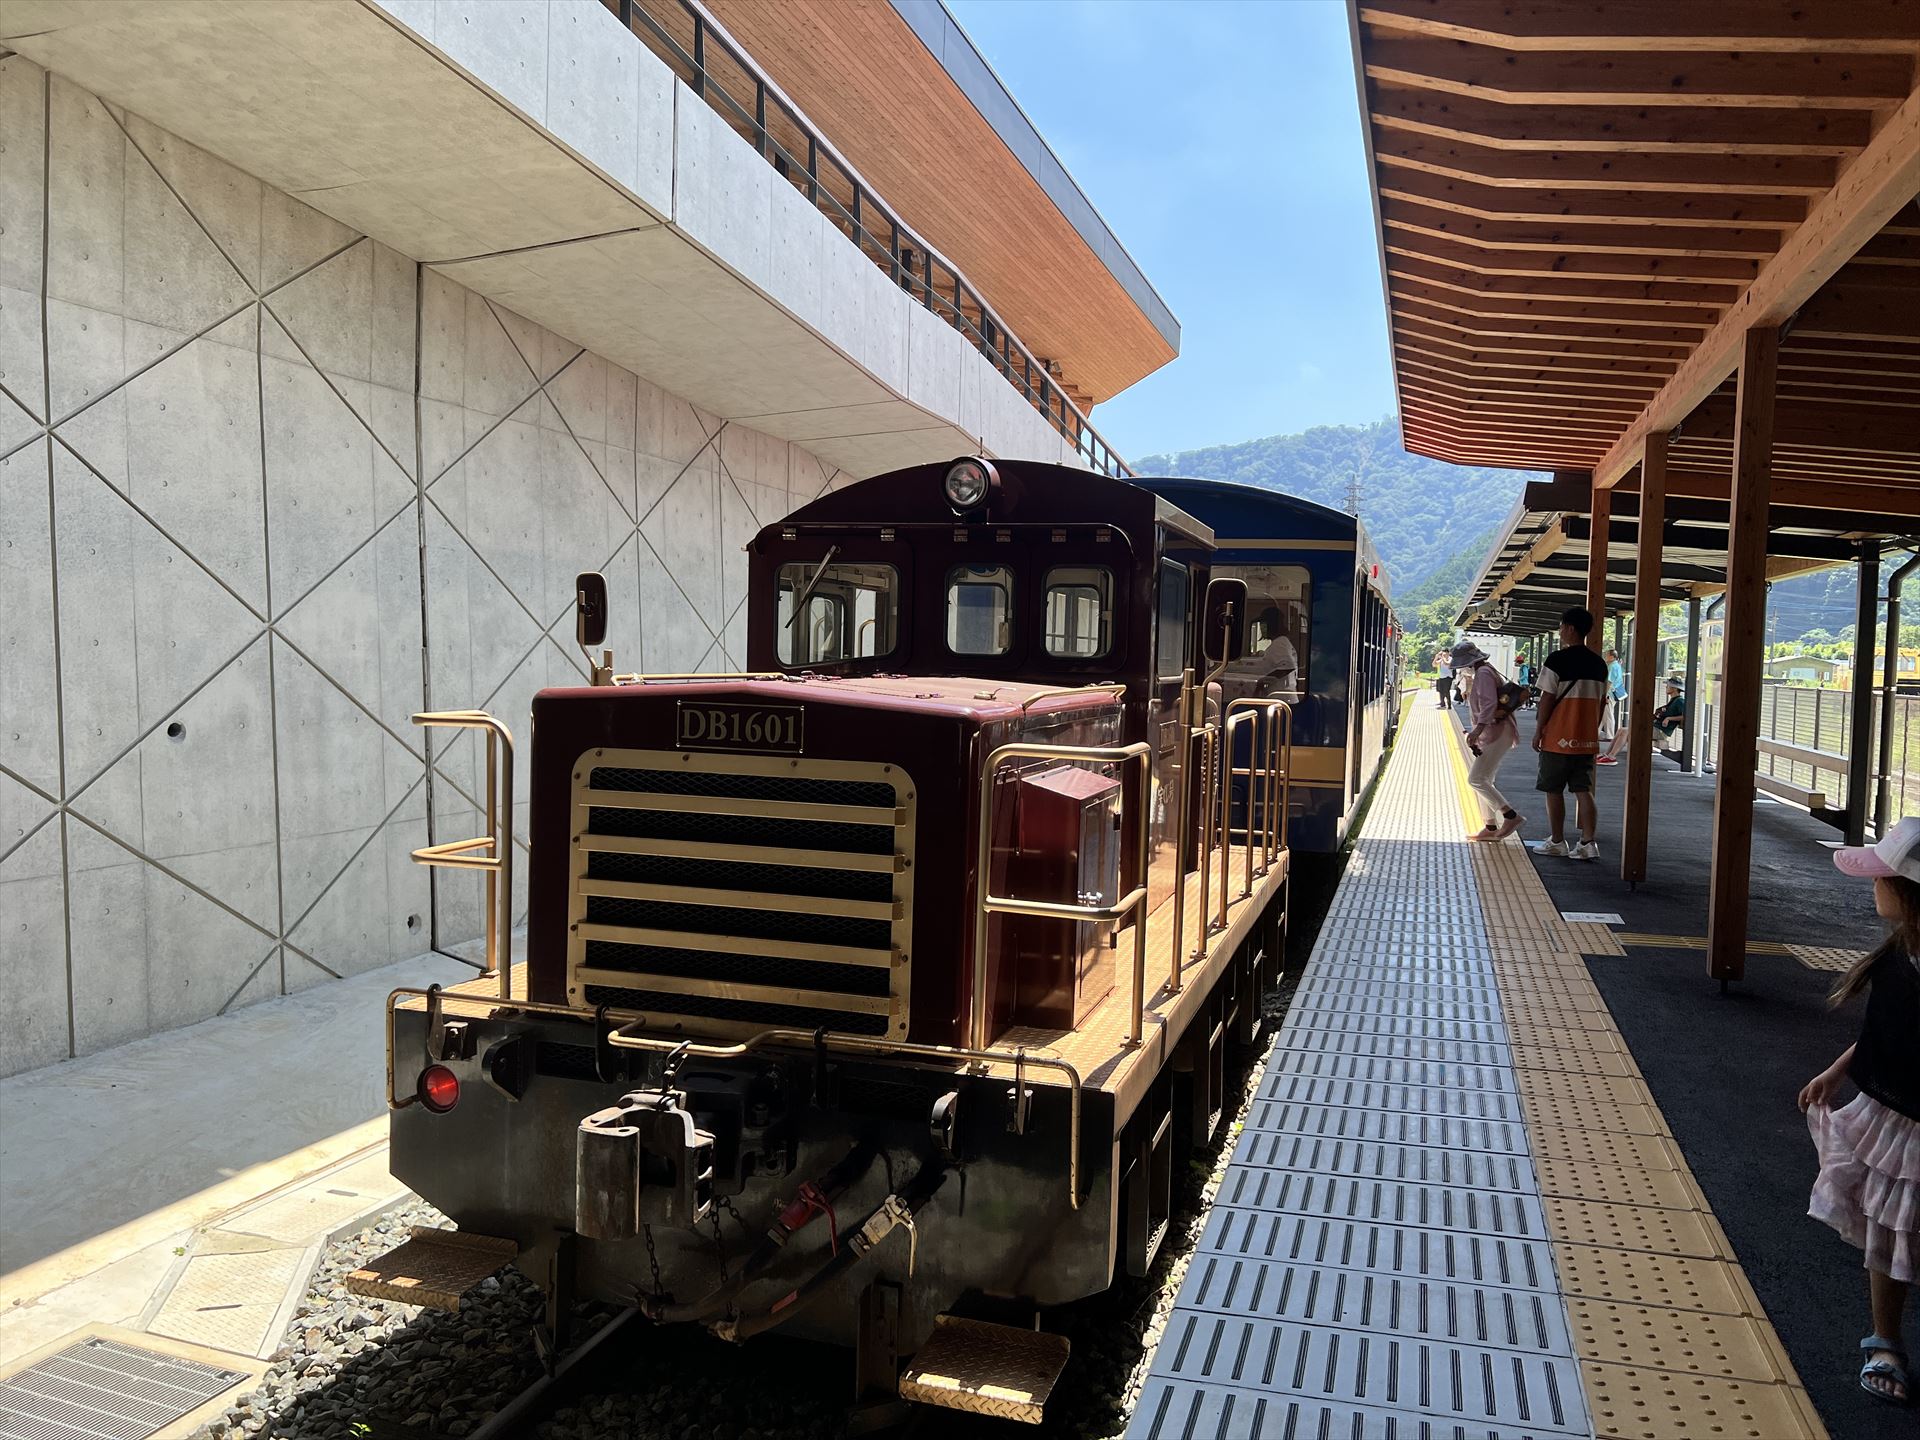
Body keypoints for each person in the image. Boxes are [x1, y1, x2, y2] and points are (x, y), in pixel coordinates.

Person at [1798, 817, 1920, 1407]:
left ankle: (1888, 1339)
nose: (1870, 885)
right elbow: (1882, 1028)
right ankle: (1886, 1337)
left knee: (1900, 1225)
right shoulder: (1902, 950)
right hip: (1892, 1111)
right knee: (1890, 1225)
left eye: (1880, 876)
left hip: (1911, 1119)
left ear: (1906, 891)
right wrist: (1837, 1071)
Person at [1531, 606, 1608, 860]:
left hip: (1558, 737)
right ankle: (1588, 844)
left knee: (1553, 789)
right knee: (1583, 790)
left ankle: (1557, 841)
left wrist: (1539, 730)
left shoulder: (1557, 660)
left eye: (1562, 626)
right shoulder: (1599, 664)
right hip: (1586, 739)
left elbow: (1547, 698)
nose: (1560, 630)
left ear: (1571, 629)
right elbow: (1601, 703)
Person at [1455, 640, 1523, 842]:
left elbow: (1488, 704)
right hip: (1497, 731)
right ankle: (1490, 827)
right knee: (1485, 779)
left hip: (1496, 731)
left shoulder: (1483, 674)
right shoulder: (1487, 670)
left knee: (1475, 779)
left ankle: (1510, 816)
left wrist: (1477, 730)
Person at [1596, 648, 1628, 765]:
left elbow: (1609, 682)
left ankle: (1609, 734)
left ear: (1612, 656)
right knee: (1605, 714)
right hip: (1613, 693)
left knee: (1607, 714)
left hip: (1610, 694)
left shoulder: (1612, 666)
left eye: (1606, 654)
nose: (1605, 656)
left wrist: (1605, 694)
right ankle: (1598, 732)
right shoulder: (1616, 666)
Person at [1652, 677, 1686, 752]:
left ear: (1674, 688)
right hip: (1657, 728)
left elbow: (1685, 716)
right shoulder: (1673, 700)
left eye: (1668, 686)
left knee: (1626, 731)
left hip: (1661, 731)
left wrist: (1669, 718)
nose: (1666, 687)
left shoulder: (1680, 701)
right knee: (1623, 730)